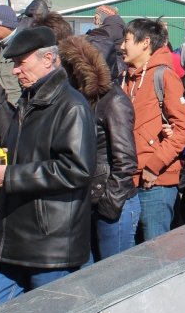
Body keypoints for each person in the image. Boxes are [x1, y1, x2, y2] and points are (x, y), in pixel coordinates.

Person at [0, 27, 96, 301]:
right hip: (16, 240)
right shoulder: (28, 102)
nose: (14, 72)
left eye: (21, 63)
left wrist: (10, 176)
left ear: (47, 60)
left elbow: (76, 169)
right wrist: (2, 157)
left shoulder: (71, 106)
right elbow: (35, 155)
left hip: (50, 248)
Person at [58, 36, 140, 262]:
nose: (74, 72)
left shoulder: (114, 101)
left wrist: (109, 204)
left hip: (113, 202)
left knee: (115, 278)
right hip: (91, 200)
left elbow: (126, 160)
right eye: (72, 66)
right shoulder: (81, 99)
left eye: (79, 67)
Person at [121, 19, 185, 241]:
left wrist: (153, 166)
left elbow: (182, 129)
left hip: (156, 183)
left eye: (127, 40)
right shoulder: (126, 78)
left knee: (156, 257)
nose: (122, 46)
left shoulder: (164, 75)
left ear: (146, 42)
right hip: (129, 181)